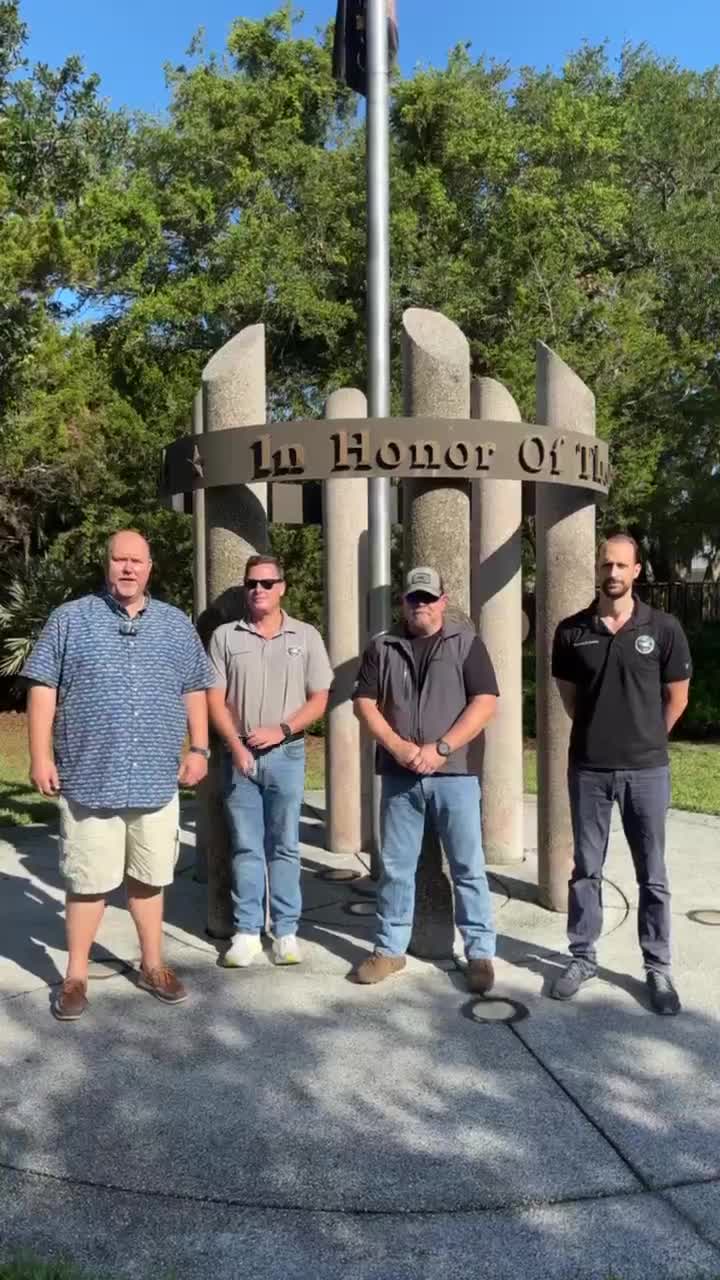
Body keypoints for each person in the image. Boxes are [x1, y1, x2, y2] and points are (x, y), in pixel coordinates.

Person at [22, 529, 214, 1021]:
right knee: (87, 882)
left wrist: (200, 746)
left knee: (150, 880)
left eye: (137, 561)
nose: (128, 568)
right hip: (90, 777)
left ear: (150, 567)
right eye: (119, 559)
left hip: (154, 779)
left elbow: (195, 687)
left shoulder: (175, 624)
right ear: (106, 564)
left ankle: (153, 965)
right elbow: (42, 689)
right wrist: (40, 755)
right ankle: (76, 976)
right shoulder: (69, 619)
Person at [550, 533, 692, 1015]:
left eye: (621, 566)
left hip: (646, 771)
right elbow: (569, 698)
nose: (612, 573)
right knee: (585, 870)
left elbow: (678, 697)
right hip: (589, 769)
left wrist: (648, 737)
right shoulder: (571, 631)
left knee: (652, 874)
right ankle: (582, 957)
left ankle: (657, 967)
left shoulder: (665, 628)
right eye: (606, 564)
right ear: (599, 569)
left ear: (635, 572)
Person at [351, 567, 499, 990]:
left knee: (469, 865)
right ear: (403, 601)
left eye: (429, 597)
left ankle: (480, 954)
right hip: (400, 775)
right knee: (397, 868)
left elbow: (485, 703)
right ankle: (389, 949)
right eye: (414, 597)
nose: (421, 605)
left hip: (455, 774)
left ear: (443, 600)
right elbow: (364, 704)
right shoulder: (383, 647)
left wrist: (442, 748)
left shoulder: (467, 644)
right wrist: (398, 747)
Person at [207, 554, 333, 968]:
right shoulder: (226, 636)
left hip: (287, 753)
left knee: (284, 846)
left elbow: (320, 699)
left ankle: (285, 932)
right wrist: (237, 746)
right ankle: (245, 933)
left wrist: (282, 729)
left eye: (266, 583)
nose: (258, 590)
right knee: (244, 847)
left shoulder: (307, 636)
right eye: (251, 584)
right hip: (239, 755)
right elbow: (214, 698)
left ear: (282, 587)